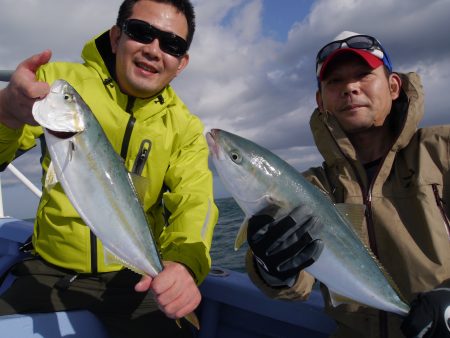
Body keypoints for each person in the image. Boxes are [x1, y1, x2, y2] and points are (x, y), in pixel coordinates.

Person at [0, 1, 218, 337]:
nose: (153, 50)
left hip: (132, 278)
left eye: (172, 44)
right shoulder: (57, 84)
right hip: (48, 268)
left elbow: (195, 203)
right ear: (116, 37)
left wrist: (185, 264)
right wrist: (7, 114)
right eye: (141, 33)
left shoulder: (185, 128)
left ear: (181, 63)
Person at [245, 31, 450, 338]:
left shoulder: (442, 150)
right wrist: (272, 269)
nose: (350, 88)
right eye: (334, 82)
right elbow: (298, 287)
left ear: (394, 86)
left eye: (363, 75)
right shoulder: (311, 186)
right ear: (321, 100)